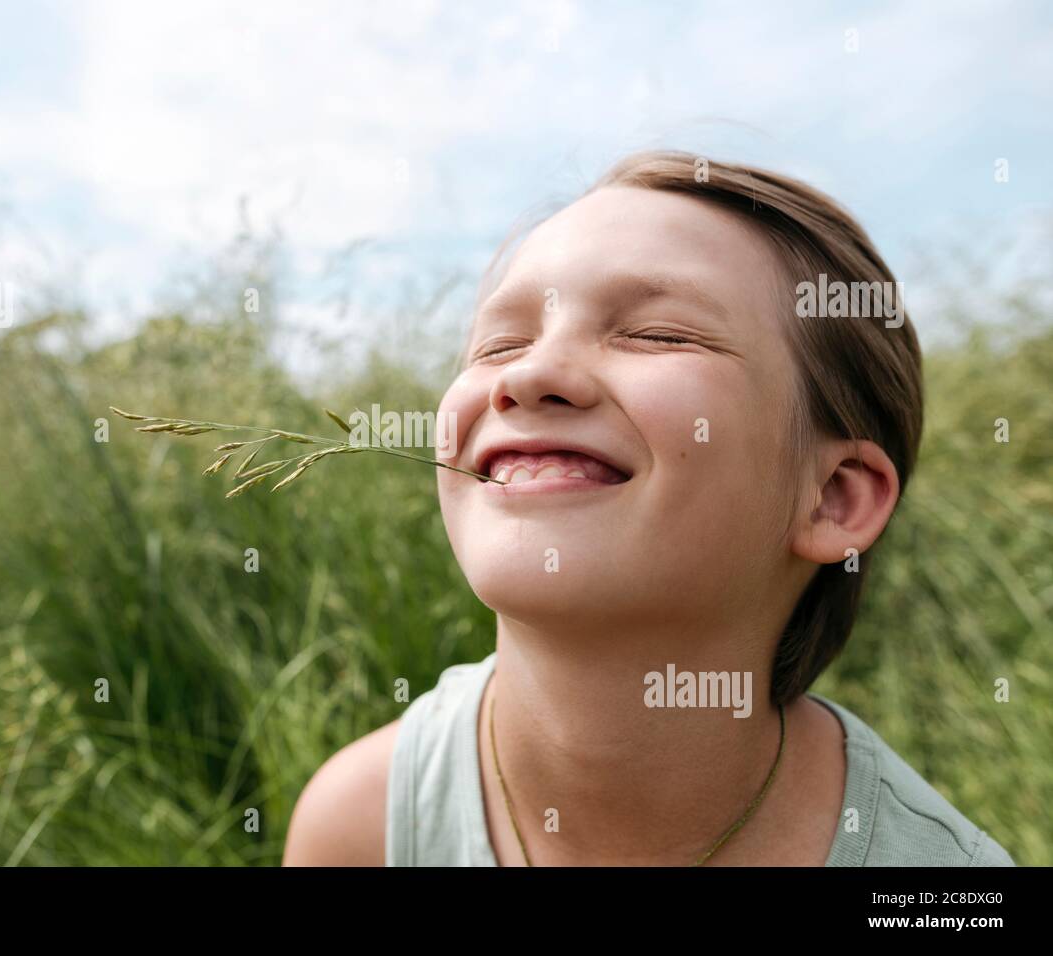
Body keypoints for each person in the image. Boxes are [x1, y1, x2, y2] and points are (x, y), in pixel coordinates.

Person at [281, 151, 1016, 866]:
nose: (532, 375)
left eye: (657, 334)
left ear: (832, 498)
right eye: (499, 344)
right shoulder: (364, 826)